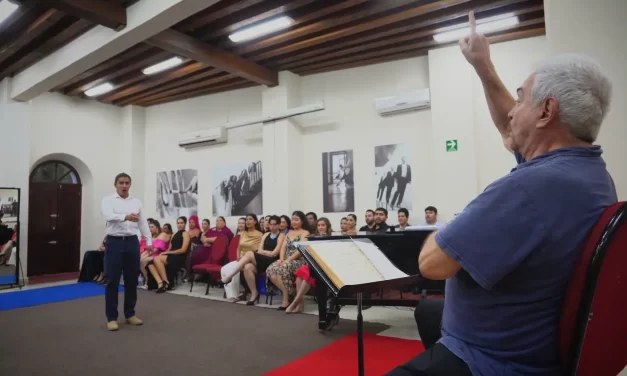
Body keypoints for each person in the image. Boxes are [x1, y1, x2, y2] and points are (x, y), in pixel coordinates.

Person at [387, 11, 616, 376]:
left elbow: (432, 263)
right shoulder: (587, 172)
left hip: (493, 360)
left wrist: (460, 222)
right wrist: (483, 65)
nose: (512, 112)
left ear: (546, 110)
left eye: (522, 99)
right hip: (531, 341)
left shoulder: (529, 187)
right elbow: (510, 129)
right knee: (428, 310)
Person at [101, 173, 151, 331]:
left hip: (132, 242)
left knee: (132, 280)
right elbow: (108, 215)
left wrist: (148, 241)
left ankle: (130, 314)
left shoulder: (136, 202)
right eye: (121, 183)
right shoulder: (108, 200)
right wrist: (126, 216)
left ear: (130, 185)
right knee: (112, 280)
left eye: (127, 183)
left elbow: (143, 222)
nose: (124, 186)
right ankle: (112, 318)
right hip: (114, 242)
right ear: (115, 184)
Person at [220, 215, 284, 305]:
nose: (272, 227)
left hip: (272, 261)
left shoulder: (281, 236)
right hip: (262, 261)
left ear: (278, 225)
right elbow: (260, 250)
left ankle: (229, 276)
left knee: (250, 253)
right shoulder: (266, 235)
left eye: (274, 224)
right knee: (247, 267)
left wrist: (265, 252)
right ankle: (254, 293)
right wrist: (266, 252)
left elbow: (275, 253)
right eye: (271, 224)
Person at [265, 211, 310, 310]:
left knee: (283, 268)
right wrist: (281, 259)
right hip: (286, 260)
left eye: (296, 220)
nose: (294, 222)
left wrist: (288, 260)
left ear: (302, 221)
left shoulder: (305, 232)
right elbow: (283, 247)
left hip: (299, 261)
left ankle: (286, 300)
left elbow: (301, 249)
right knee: (271, 269)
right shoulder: (289, 232)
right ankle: (290, 293)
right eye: (293, 219)